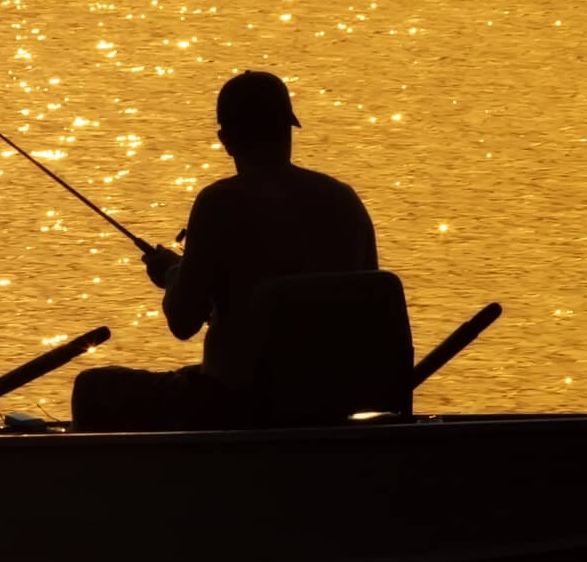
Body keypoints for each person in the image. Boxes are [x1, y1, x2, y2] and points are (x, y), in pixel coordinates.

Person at [70, 70, 378, 432]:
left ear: (226, 140)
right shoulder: (343, 200)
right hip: (333, 400)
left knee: (92, 388)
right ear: (287, 130)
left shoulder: (219, 204)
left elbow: (183, 321)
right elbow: (367, 309)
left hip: (239, 404)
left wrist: (172, 274)